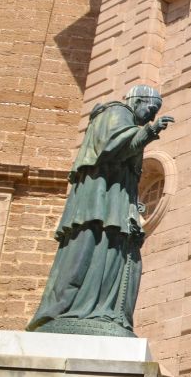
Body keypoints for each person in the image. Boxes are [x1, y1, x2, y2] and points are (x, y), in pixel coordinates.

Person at [27, 85, 173, 337]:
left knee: (117, 254)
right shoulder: (116, 112)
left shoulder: (128, 120)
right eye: (151, 109)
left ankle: (100, 310)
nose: (151, 116)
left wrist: (132, 203)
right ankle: (74, 309)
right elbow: (112, 146)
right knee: (91, 248)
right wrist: (150, 131)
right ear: (137, 101)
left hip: (114, 201)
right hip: (99, 201)